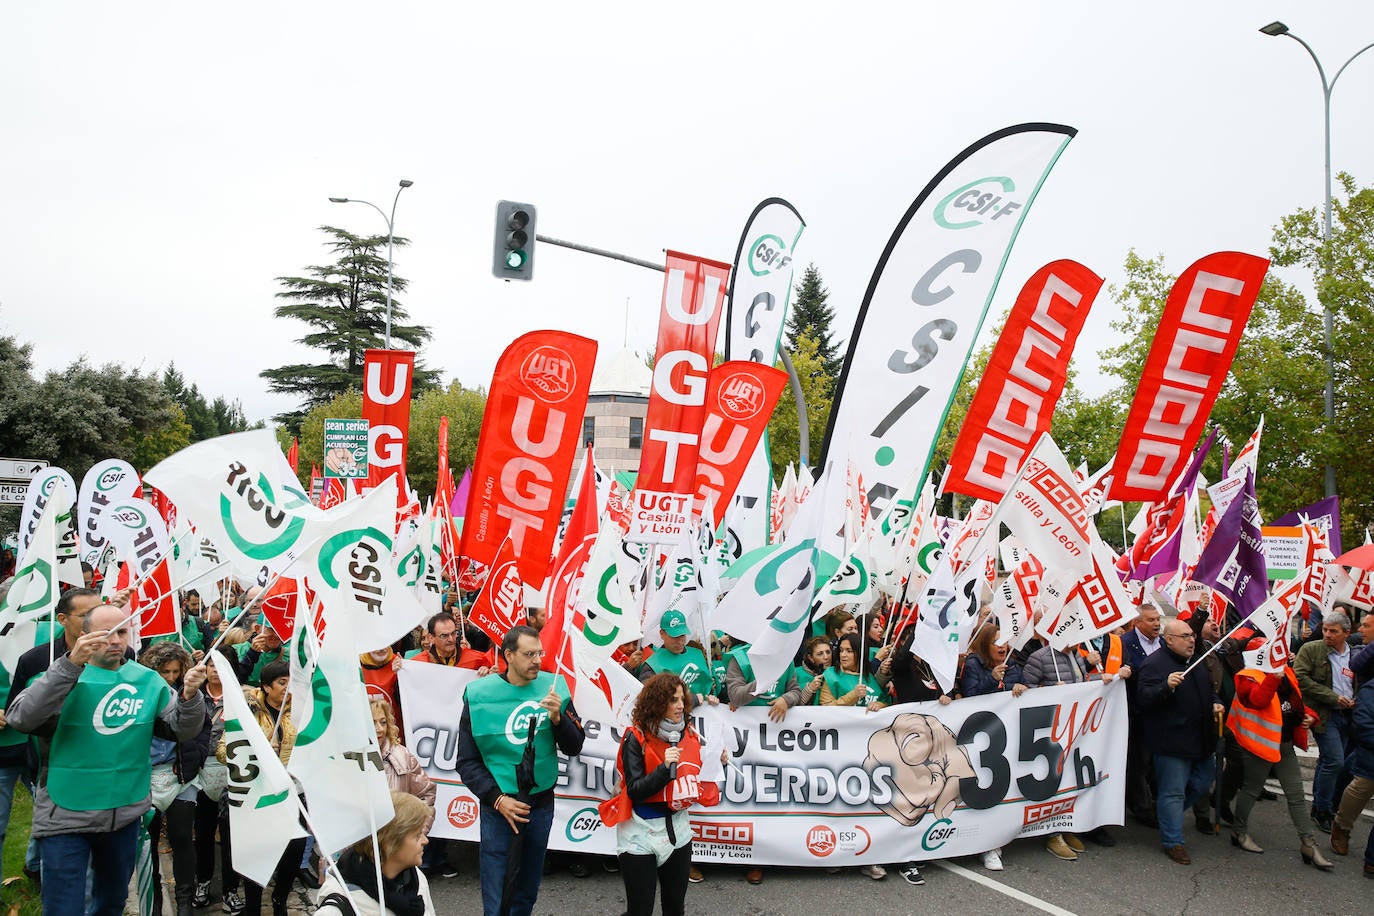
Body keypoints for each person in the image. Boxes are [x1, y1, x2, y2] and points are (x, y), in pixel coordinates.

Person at [7, 600, 208, 915]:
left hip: (124, 815)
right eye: (106, 633)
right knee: (63, 907)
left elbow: (181, 729)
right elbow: (21, 718)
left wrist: (191, 697)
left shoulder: (147, 680)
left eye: (122, 632)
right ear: (84, 636)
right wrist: (69, 665)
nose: (115, 640)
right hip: (66, 814)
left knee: (112, 903)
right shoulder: (59, 673)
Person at [456, 625, 584, 916]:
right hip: (499, 807)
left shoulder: (554, 688)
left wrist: (557, 719)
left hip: (540, 803)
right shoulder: (479, 695)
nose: (537, 660)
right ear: (508, 655)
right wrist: (498, 800)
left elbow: (575, 746)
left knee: (527, 887)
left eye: (539, 653)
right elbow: (466, 762)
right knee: (497, 891)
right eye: (529, 654)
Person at [598, 673, 721, 916]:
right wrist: (664, 770)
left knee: (675, 908)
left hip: (679, 831)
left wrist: (718, 759)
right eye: (672, 700)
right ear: (656, 703)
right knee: (640, 910)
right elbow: (634, 790)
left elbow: (696, 771)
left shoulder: (690, 733)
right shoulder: (636, 736)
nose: (679, 706)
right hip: (640, 833)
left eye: (680, 699)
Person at [1226, 641, 1333, 869]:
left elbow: (1295, 704)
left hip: (1283, 745)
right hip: (1259, 747)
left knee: (1296, 795)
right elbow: (1257, 700)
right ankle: (1239, 831)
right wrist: (1273, 677)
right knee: (1252, 790)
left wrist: (1311, 716)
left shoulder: (1286, 672)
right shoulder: (1248, 677)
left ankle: (1309, 844)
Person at [217, 658, 307, 916]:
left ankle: (280, 900)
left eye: (290, 682)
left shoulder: (300, 710)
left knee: (293, 854)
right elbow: (224, 750)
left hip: (293, 794)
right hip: (258, 797)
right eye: (281, 682)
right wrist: (256, 751)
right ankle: (254, 906)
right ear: (266, 687)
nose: (287, 688)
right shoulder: (247, 712)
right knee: (259, 855)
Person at [1136, 618, 1224, 865]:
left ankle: (1165, 815)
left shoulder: (1195, 661)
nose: (1191, 639)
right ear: (1169, 640)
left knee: (1203, 781)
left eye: (1191, 636)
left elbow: (1209, 690)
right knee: (1173, 792)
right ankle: (1173, 840)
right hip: (1172, 741)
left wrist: (1215, 701)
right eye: (1185, 636)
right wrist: (1165, 686)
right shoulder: (1154, 664)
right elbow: (1143, 699)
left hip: (1200, 738)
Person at [140, 642, 214, 916]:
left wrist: (199, 754)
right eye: (164, 671)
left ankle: (184, 902)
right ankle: (155, 901)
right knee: (147, 844)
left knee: (182, 837)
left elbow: (202, 728)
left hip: (180, 776)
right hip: (145, 778)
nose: (170, 677)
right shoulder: (141, 697)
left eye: (175, 671)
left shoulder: (188, 695)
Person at [315, 790, 437, 915]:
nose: (425, 841)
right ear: (389, 842)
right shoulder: (335, 908)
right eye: (417, 835)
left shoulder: (415, 879)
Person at [1294, 611, 1356, 833]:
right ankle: (1323, 809)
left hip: (1347, 716)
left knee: (1329, 761)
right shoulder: (1312, 649)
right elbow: (1300, 677)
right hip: (1323, 715)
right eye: (1326, 630)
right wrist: (1332, 697)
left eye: (1334, 631)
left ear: (1346, 633)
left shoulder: (1355, 654)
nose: (1328, 634)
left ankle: (1320, 806)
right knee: (1335, 761)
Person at [1331, 611, 1374, 869]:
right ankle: (1341, 825)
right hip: (1369, 745)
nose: (1362, 629)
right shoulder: (1363, 657)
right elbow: (1365, 725)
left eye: (1367, 625)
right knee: (1359, 788)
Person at [1121, 605, 1164, 826]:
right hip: (1137, 712)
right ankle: (1141, 807)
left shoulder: (1164, 642)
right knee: (1139, 762)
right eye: (1150, 620)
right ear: (1137, 623)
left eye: (1157, 619)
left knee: (1157, 761)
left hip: (1161, 711)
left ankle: (1155, 801)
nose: (1157, 624)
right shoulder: (1126, 644)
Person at [640, 610, 718, 709]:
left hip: (702, 717)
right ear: (662, 634)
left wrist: (711, 697)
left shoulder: (697, 654)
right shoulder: (651, 666)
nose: (680, 641)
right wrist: (692, 700)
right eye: (675, 636)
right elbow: (650, 702)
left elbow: (707, 687)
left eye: (682, 635)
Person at [372, 697, 435, 807]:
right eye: (372, 723)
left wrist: (417, 824)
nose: (380, 729)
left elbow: (427, 794)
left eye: (383, 722)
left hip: (395, 824)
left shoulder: (402, 755)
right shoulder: (344, 758)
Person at [819, 633, 888, 710]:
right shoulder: (831, 675)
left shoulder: (868, 676)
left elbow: (885, 702)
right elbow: (825, 709)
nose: (843, 655)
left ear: (860, 653)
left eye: (849, 651)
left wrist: (879, 705)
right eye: (841, 650)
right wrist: (853, 696)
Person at [793, 637, 830, 706]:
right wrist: (809, 689)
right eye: (820, 654)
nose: (826, 657)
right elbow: (791, 704)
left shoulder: (836, 673)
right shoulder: (795, 673)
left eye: (828, 652)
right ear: (810, 657)